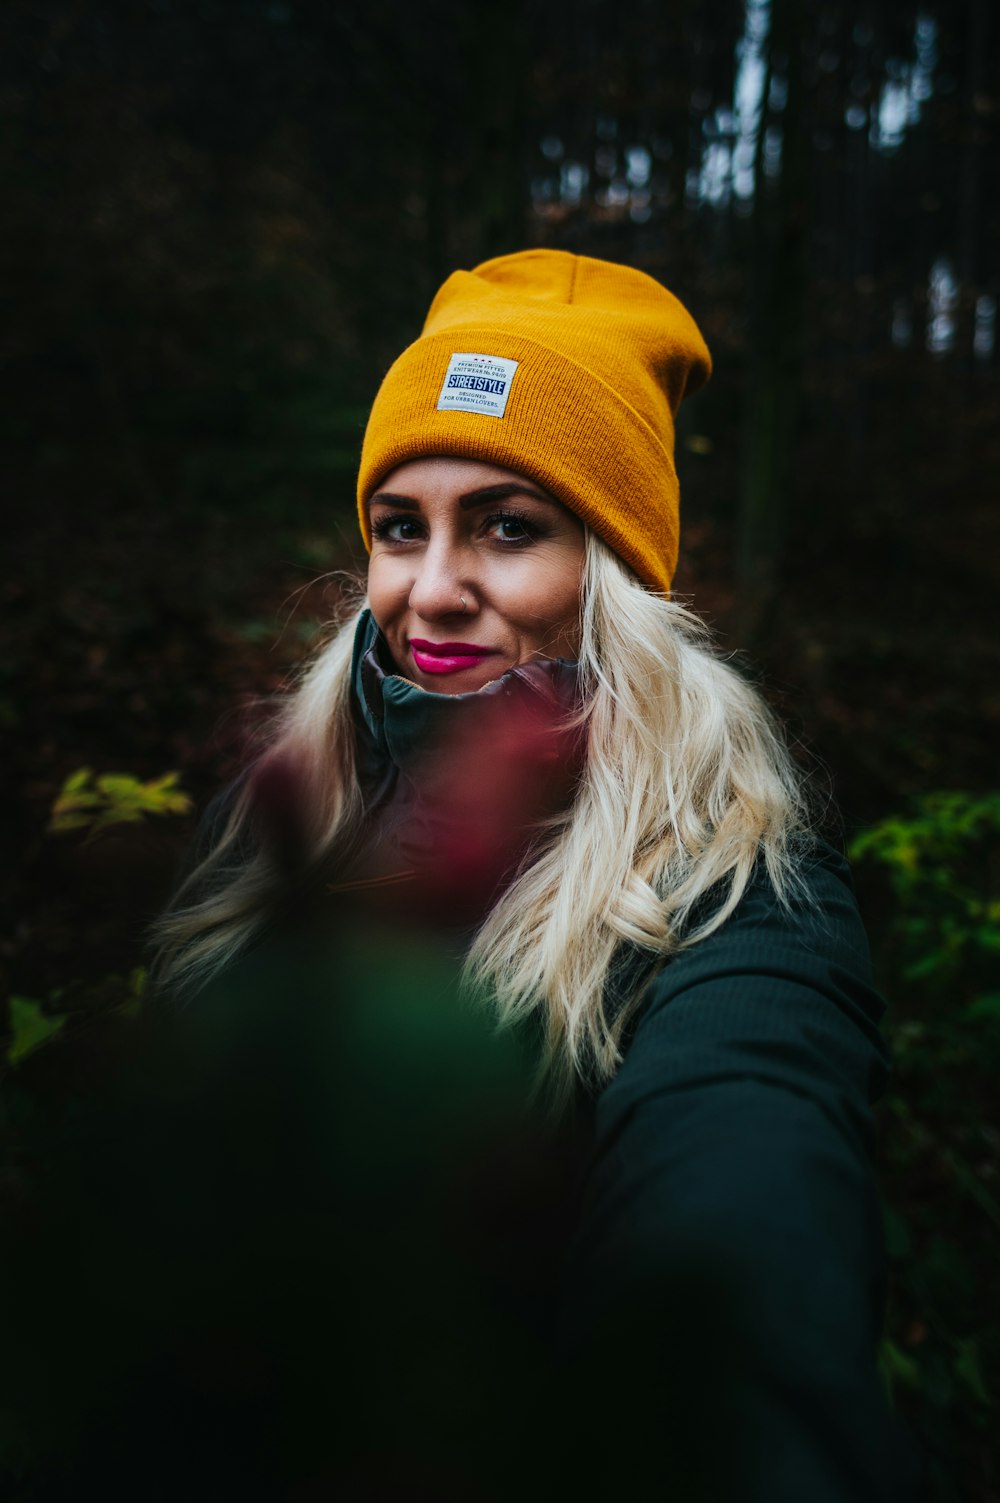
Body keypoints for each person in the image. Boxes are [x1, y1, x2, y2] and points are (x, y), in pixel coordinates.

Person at [151, 249, 919, 1499]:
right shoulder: (266, 827)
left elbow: (740, 1249)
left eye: (510, 529)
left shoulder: (732, 899)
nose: (433, 590)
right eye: (402, 528)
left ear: (613, 577)